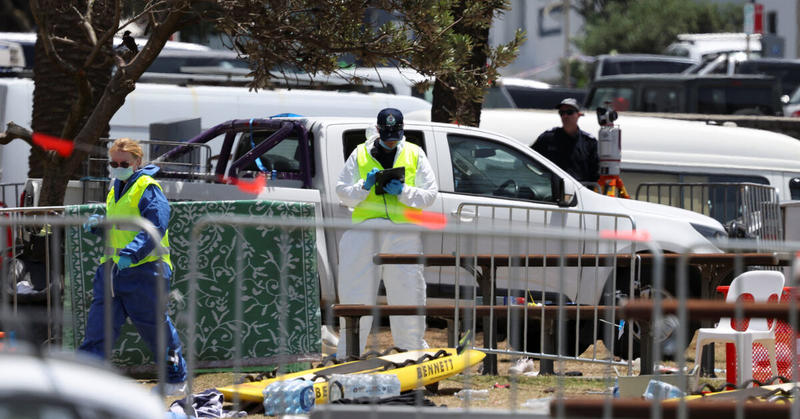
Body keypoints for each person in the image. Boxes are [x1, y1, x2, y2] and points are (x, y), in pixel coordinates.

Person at [80, 138, 187, 395]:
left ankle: (175, 377)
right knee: (98, 329)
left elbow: (155, 226)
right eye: (113, 163)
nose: (117, 167)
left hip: (145, 271)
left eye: (123, 163)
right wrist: (100, 224)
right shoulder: (116, 186)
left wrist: (132, 253)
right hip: (113, 270)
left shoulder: (148, 188)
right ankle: (82, 382)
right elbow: (121, 225)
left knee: (157, 331)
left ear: (137, 162)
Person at [335, 108, 438, 358]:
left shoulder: (414, 153)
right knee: (355, 292)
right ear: (378, 130)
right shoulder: (359, 153)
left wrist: (403, 191)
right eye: (388, 134)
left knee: (408, 290)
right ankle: (349, 352)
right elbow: (341, 191)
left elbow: (430, 195)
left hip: (403, 232)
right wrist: (364, 186)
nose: (392, 140)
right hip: (364, 231)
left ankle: (411, 350)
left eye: (396, 135)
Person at [532, 98, 599, 183]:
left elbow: (596, 172)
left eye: (569, 112)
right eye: (561, 113)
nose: (565, 116)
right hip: (553, 190)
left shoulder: (589, 142)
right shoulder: (547, 138)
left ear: (578, 115)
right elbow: (530, 160)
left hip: (580, 191)